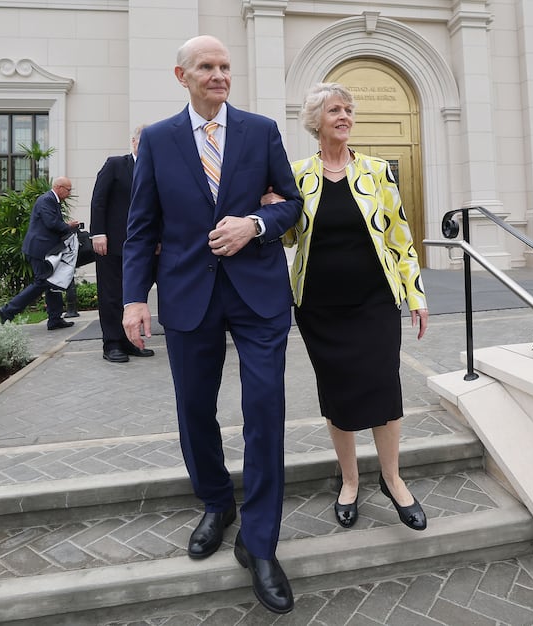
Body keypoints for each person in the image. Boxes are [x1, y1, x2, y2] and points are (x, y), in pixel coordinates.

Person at [121, 35, 302, 614]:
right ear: (182, 76)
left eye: (225, 66)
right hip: (187, 294)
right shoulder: (156, 140)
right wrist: (132, 300)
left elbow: (291, 204)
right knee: (194, 408)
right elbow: (141, 228)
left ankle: (261, 540)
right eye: (207, 67)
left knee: (265, 407)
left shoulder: (261, 129)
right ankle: (216, 501)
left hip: (258, 295)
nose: (220, 75)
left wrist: (255, 222)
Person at [262, 83, 429, 532]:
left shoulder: (377, 172)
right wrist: (272, 209)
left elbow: (399, 237)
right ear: (316, 120)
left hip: (374, 301)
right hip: (320, 306)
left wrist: (415, 295)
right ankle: (350, 481)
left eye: (348, 109)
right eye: (335, 109)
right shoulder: (297, 175)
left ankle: (393, 479)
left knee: (383, 387)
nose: (344, 116)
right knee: (337, 393)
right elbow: (290, 239)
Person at [90, 124, 156, 363]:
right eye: (143, 141)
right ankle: (112, 344)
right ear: (134, 142)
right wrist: (98, 233)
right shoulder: (116, 164)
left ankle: (131, 342)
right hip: (112, 243)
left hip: (143, 247)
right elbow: (98, 200)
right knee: (111, 295)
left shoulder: (156, 169)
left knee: (134, 296)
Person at [0, 177, 80, 330]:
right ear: (59, 187)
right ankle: (8, 310)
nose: (69, 193)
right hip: (39, 249)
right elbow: (51, 223)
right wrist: (68, 226)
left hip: (44, 249)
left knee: (52, 282)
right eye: (68, 190)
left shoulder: (51, 200)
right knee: (42, 282)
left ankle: (54, 319)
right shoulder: (47, 200)